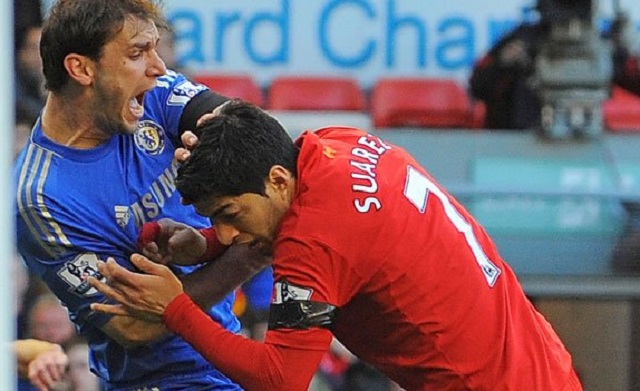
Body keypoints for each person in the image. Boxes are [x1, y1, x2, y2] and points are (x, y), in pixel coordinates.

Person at [88, 100, 583, 390]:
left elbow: (281, 379)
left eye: (229, 215)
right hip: (543, 362)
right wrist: (208, 245)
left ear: (279, 180)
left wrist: (176, 308)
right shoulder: (334, 143)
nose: (229, 233)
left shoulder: (316, 242)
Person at [14, 0, 269, 389]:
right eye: (136, 53)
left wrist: (205, 243)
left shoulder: (154, 95)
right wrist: (247, 257)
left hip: (228, 353)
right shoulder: (42, 197)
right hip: (165, 378)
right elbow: (132, 326)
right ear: (81, 68)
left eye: (154, 48)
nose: (158, 68)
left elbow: (252, 137)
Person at [469, 11, 640, 130]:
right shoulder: (522, 39)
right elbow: (477, 87)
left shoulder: (601, 47)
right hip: (523, 144)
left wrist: (634, 50)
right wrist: (503, 63)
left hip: (588, 143)